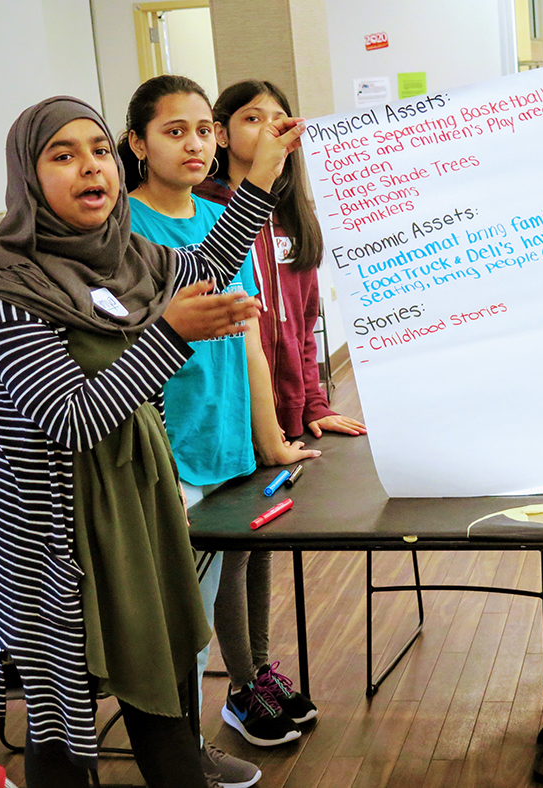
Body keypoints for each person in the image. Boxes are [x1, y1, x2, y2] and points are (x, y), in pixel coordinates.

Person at [0, 96, 301, 788]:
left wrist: (261, 177)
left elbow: (203, 261)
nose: (90, 167)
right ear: (27, 176)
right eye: (62, 155)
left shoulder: (125, 254)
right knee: (65, 732)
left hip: (136, 507)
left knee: (163, 694)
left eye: (95, 151)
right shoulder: (3, 288)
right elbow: (74, 417)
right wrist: (173, 333)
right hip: (53, 532)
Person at [119, 74, 320, 762]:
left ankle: (237, 694)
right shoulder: (123, 227)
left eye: (204, 129)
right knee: (183, 617)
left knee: (235, 575)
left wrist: (271, 444)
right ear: (137, 143)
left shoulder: (218, 220)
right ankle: (183, 749)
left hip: (231, 437)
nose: (195, 143)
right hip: (171, 449)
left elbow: (250, 345)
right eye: (174, 131)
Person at [192, 79, 367, 742]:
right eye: (250, 118)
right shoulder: (207, 212)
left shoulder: (292, 217)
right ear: (224, 131)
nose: (270, 130)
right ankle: (241, 686)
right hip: (231, 415)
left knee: (260, 542)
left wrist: (315, 403)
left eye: (278, 118)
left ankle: (259, 670)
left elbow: (306, 325)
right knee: (233, 549)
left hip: (285, 415)